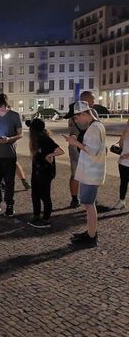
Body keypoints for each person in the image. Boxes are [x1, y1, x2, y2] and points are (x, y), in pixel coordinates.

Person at [64, 101, 106, 247]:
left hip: (91, 172)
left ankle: (92, 236)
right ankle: (90, 232)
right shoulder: (96, 125)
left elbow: (92, 150)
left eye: (76, 118)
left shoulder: (94, 128)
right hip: (91, 171)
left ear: (83, 114)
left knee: (89, 205)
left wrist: (74, 143)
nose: (76, 121)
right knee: (89, 204)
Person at [25, 119, 64, 228]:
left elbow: (60, 151)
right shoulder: (38, 137)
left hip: (45, 171)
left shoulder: (44, 138)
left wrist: (49, 155)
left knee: (44, 195)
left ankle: (46, 219)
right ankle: (36, 215)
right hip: (37, 170)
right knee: (35, 194)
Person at [64, 91, 100, 208]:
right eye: (92, 99)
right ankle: (90, 199)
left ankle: (75, 199)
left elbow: (71, 129)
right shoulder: (92, 112)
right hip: (85, 147)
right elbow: (97, 129)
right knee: (90, 173)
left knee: (75, 174)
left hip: (74, 147)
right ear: (86, 100)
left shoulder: (73, 111)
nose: (94, 102)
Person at [112, 118, 129, 209]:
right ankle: (121, 201)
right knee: (123, 182)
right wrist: (123, 134)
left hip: (125, 159)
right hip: (123, 162)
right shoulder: (126, 131)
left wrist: (127, 155)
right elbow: (121, 145)